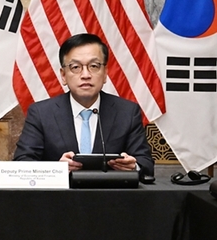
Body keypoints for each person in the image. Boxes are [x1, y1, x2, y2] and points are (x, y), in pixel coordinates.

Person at [13, 33, 154, 175]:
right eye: (75, 67)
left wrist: (133, 166)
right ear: (63, 76)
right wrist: (55, 170)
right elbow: (22, 162)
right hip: (60, 196)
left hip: (111, 195)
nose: (85, 75)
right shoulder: (41, 113)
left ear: (105, 73)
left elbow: (146, 163)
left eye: (94, 66)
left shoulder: (127, 112)